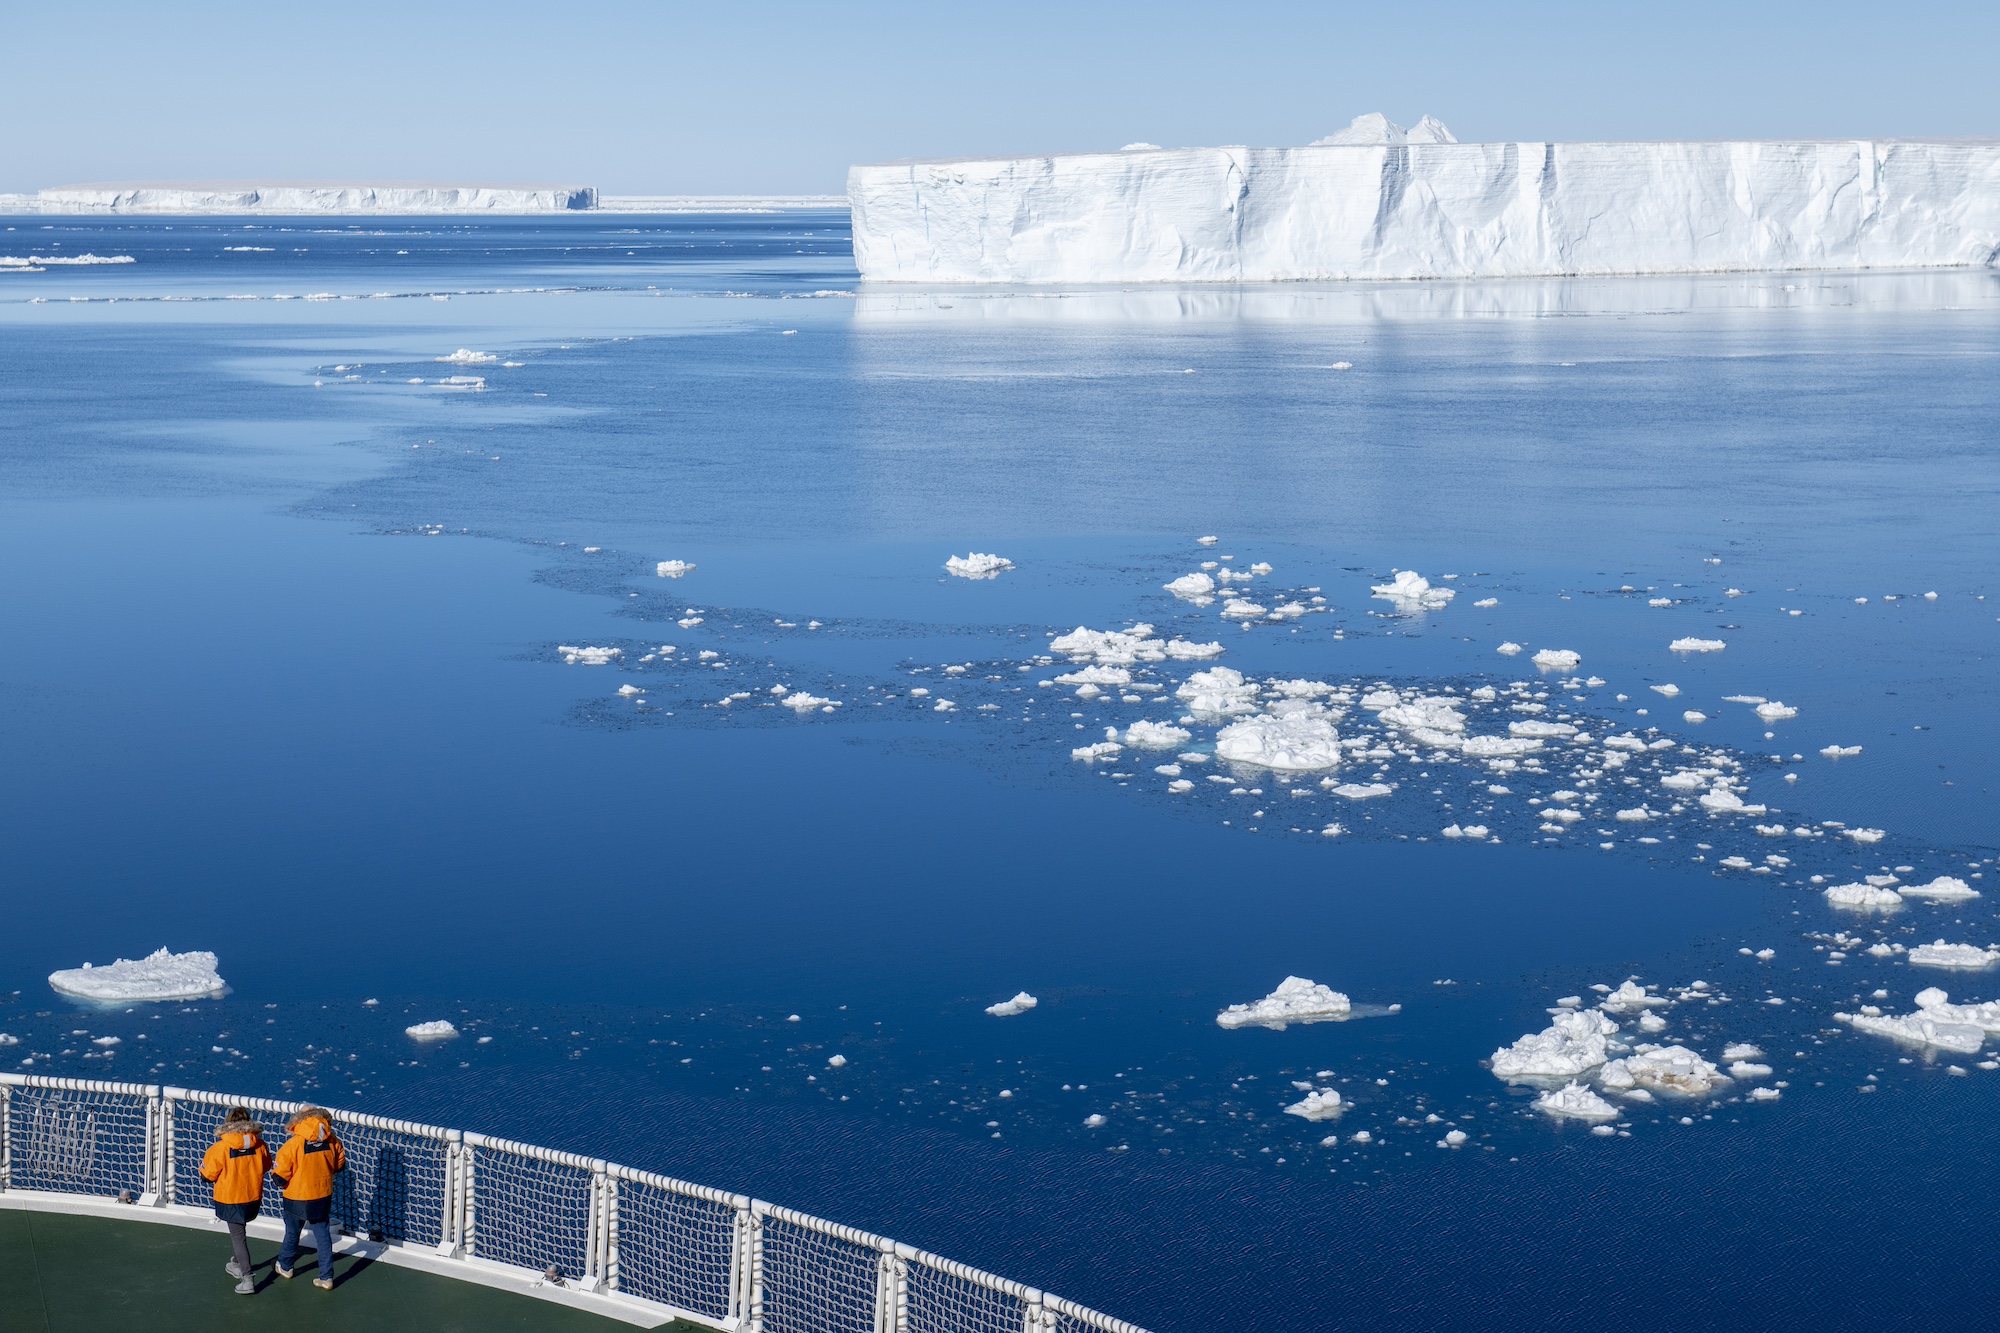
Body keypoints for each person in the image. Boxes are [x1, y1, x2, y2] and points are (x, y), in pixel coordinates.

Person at [272, 1105, 346, 1290]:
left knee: (292, 1232)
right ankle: (326, 1276)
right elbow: (339, 1165)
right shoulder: (332, 1140)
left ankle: (286, 1266)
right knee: (323, 1235)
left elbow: (280, 1176)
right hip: (322, 1195)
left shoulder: (293, 1144)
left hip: (297, 1197)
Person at [198, 1106, 271, 1296]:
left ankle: (247, 1278)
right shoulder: (260, 1144)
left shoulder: (221, 1147)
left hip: (231, 1199)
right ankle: (237, 1263)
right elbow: (266, 1166)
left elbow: (207, 1174)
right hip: (252, 1197)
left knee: (238, 1237)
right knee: (240, 1232)